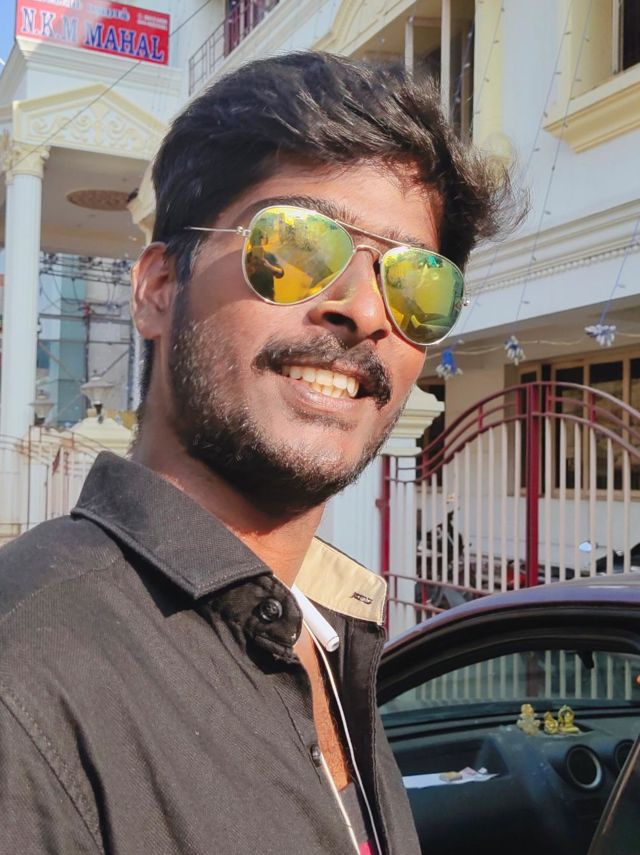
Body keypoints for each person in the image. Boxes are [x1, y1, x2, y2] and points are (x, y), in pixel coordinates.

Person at [0, 52, 515, 854]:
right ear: (158, 288)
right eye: (296, 246)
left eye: (416, 282)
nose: (364, 309)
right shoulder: (26, 672)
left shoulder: (334, 635)